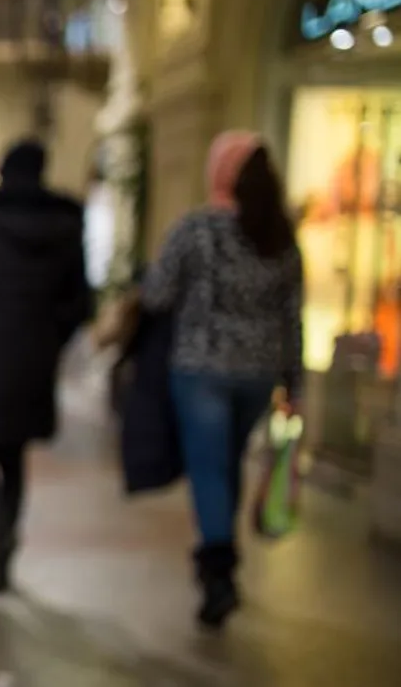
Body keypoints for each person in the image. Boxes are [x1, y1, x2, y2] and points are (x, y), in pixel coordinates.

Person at [142, 130, 303, 629]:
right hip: (259, 373)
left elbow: (157, 293)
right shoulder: (279, 237)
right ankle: (221, 552)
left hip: (202, 367)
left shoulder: (198, 229)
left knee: (209, 466)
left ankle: (218, 570)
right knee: (226, 462)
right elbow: (293, 315)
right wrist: (294, 384)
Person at [0, 140, 92, 594]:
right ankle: (5, 527)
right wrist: (50, 336)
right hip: (36, 353)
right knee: (12, 454)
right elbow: (81, 302)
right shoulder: (65, 226)